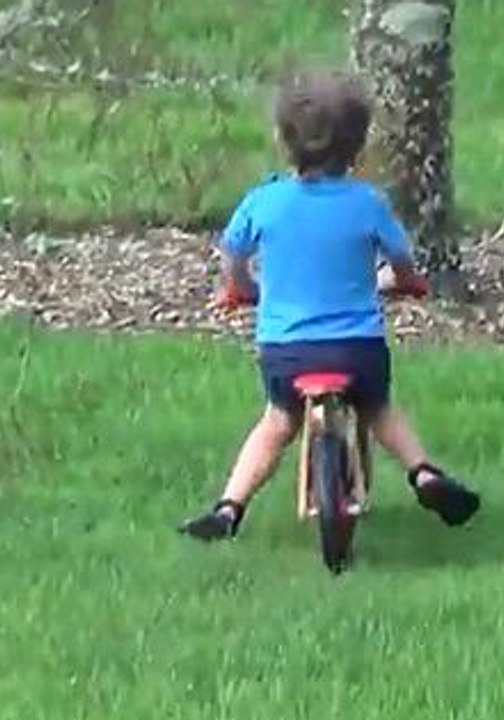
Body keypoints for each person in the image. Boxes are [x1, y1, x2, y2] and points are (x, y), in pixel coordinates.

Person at [178, 69, 480, 541]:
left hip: (286, 350)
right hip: (357, 349)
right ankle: (424, 473)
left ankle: (229, 507)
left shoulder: (265, 201)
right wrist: (406, 283)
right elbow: (402, 260)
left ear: (284, 140)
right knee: (378, 408)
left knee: (278, 421)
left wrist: (239, 288)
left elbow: (233, 256)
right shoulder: (367, 203)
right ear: (357, 146)